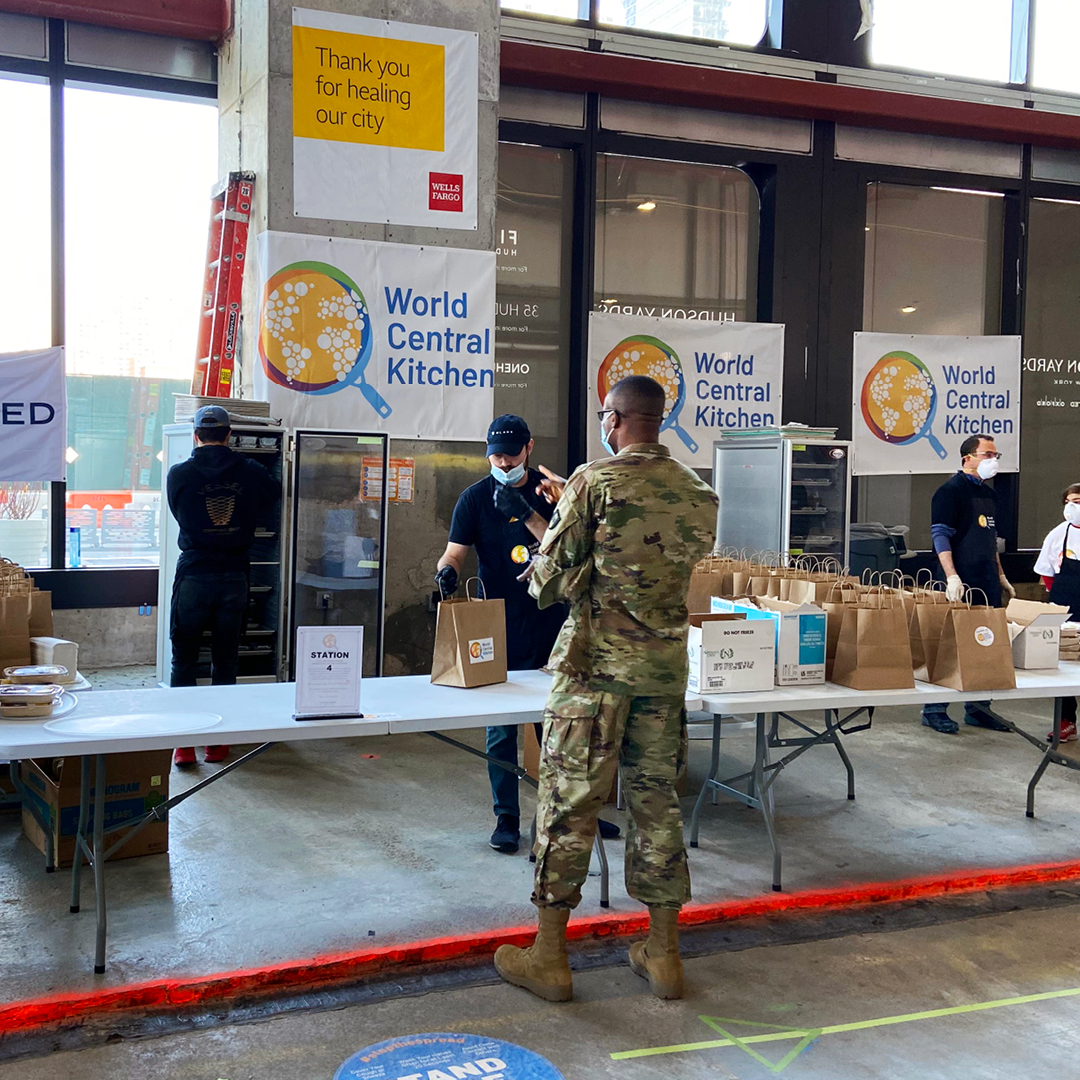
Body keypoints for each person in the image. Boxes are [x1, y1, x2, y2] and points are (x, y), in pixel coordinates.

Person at [494, 375, 718, 1003]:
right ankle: (665, 954)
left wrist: (570, 515)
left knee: (569, 807)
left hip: (594, 674)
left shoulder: (594, 482)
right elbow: (655, 564)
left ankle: (549, 957)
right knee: (656, 804)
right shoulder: (700, 493)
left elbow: (546, 585)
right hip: (663, 674)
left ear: (613, 418)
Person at [436, 415, 592, 854]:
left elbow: (563, 552)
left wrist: (525, 513)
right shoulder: (473, 498)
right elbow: (454, 552)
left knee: (557, 725)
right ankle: (506, 817)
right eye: (494, 455)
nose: (502, 462)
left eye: (510, 453)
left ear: (529, 448)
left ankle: (572, 813)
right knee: (501, 729)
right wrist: (446, 573)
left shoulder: (552, 493)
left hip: (550, 621)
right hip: (495, 626)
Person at [167, 405, 278, 767]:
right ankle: (218, 742)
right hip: (234, 575)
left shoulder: (179, 473)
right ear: (229, 435)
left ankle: (184, 745)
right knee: (225, 658)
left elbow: (177, 509)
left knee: (184, 658)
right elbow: (274, 491)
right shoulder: (250, 470)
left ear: (195, 435)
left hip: (195, 572)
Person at [922, 434, 1016, 734]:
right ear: (968, 459)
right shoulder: (949, 492)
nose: (994, 461)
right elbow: (940, 535)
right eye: (987, 455)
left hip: (985, 577)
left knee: (985, 644)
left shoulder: (990, 495)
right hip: (959, 579)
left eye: (996, 455)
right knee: (950, 643)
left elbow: (990, 538)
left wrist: (1000, 575)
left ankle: (979, 708)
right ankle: (934, 709)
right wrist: (951, 575)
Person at [1035, 483, 1080, 742]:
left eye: (1079, 501)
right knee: (1065, 667)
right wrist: (1059, 601)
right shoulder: (1057, 534)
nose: (1074, 507)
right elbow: (1046, 572)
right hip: (1067, 608)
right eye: (1070, 501)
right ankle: (1066, 721)